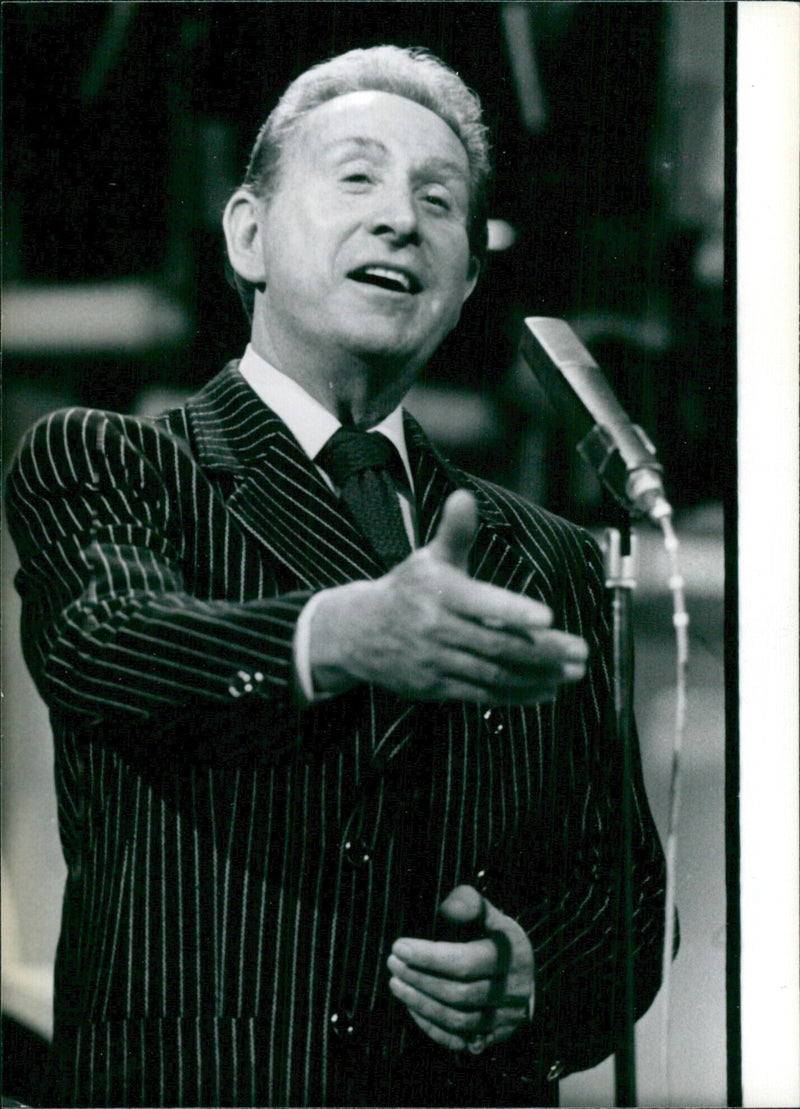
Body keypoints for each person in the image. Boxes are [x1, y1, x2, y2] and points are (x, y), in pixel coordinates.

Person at [6, 45, 668, 1108]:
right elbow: (106, 642)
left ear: (464, 285)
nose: (401, 218)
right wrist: (347, 630)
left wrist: (531, 976)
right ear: (248, 235)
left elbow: (622, 892)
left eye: (437, 201)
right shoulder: (112, 460)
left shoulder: (547, 556)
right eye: (355, 178)